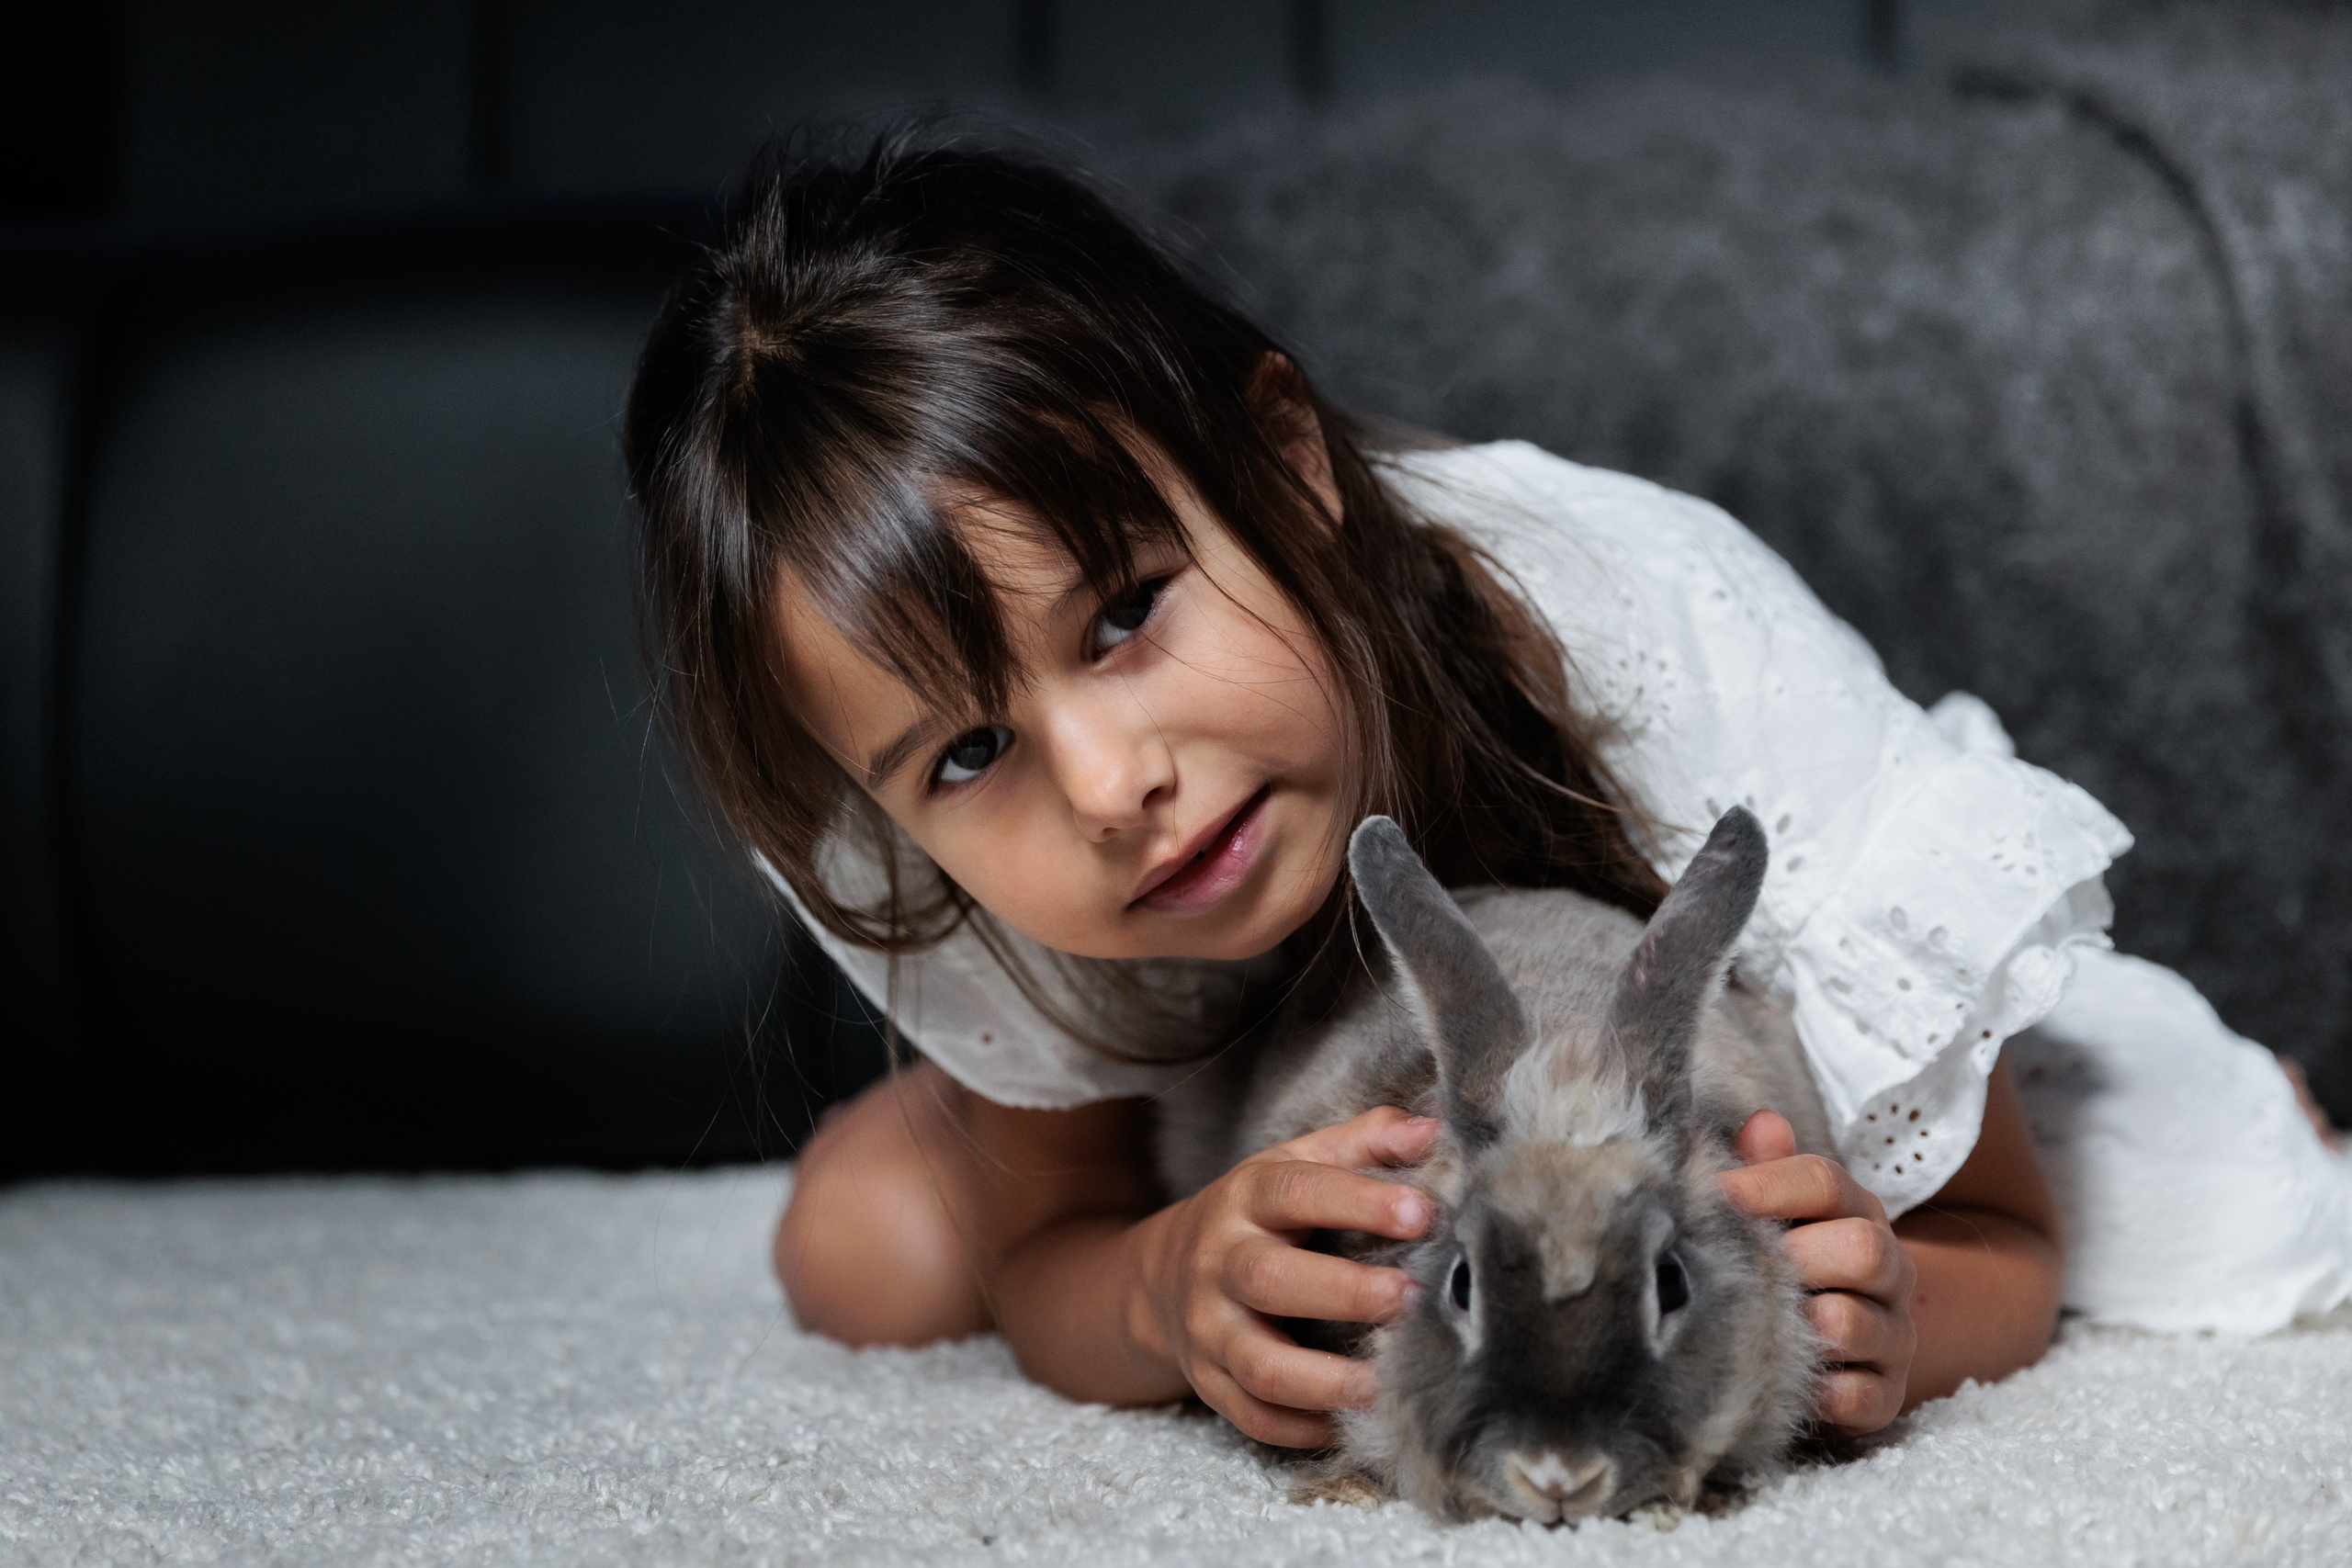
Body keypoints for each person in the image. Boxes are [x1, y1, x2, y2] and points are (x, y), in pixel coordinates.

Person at [624, 130, 2352, 1451]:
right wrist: (1163, 1290)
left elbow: (2002, 1253)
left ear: (1287, 473)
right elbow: (1055, 1272)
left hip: (1763, 1042)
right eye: (970, 754)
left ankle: (2133, 1056)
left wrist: (1896, 1305)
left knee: (2200, 1200)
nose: (1107, 785)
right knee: (861, 1253)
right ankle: (986, 1111)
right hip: (1263, 1071)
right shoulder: (1077, 864)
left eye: (1128, 613)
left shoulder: (1647, 637)